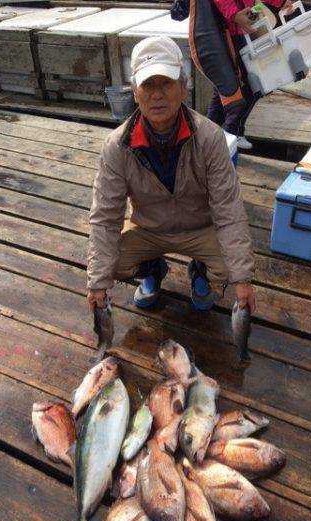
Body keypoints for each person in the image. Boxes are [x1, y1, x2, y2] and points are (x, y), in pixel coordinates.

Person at [87, 35, 255, 319]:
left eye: (166, 83)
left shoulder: (211, 138)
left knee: (233, 268)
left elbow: (229, 209)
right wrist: (97, 284)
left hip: (200, 228)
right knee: (108, 265)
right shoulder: (117, 145)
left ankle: (200, 269)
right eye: (147, 85)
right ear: (134, 91)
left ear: (184, 86)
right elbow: (105, 217)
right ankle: (153, 267)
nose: (157, 94)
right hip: (148, 230)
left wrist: (242, 279)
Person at [207, 0, 296, 150]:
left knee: (226, 87)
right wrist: (234, 14)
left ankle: (212, 135)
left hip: (243, 29)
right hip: (229, 32)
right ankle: (229, 131)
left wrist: (281, 2)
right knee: (253, 84)